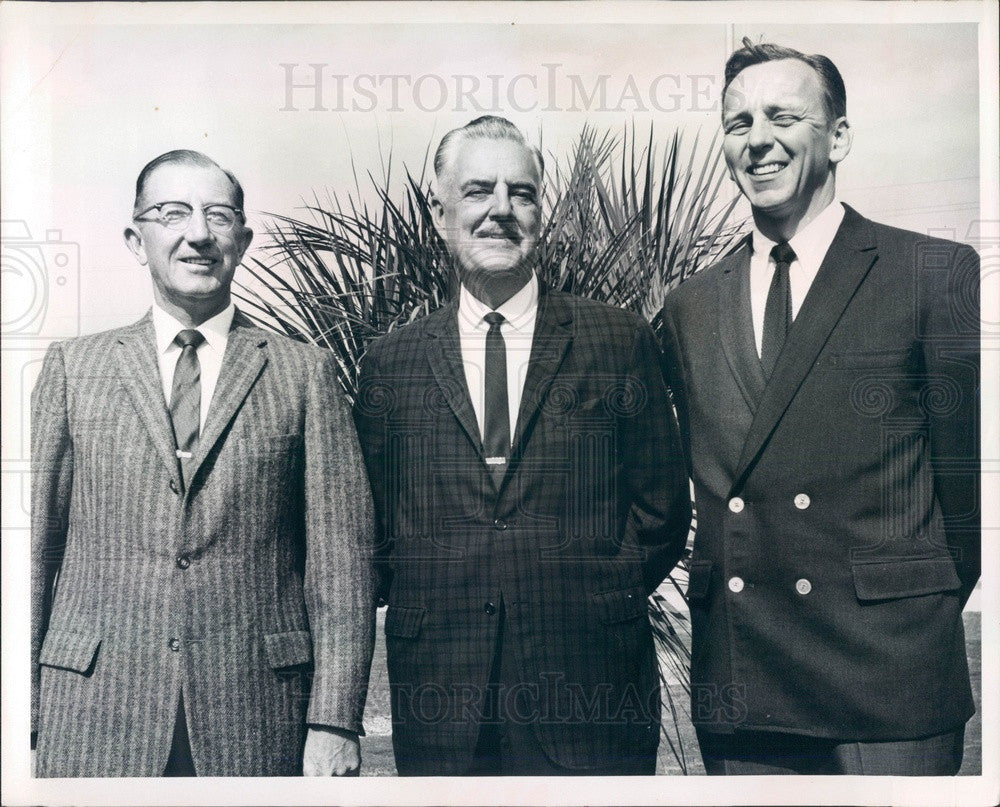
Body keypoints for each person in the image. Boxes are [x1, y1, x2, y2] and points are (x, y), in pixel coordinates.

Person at [660, 41, 980, 775]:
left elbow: (967, 496)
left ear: (838, 137)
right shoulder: (689, 305)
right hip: (744, 680)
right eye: (737, 122)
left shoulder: (932, 273)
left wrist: (902, 604)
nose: (758, 139)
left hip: (886, 677)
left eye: (782, 116)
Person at [353, 116, 691, 775]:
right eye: (479, 190)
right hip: (442, 702)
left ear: (542, 209)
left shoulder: (617, 341)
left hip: (591, 693)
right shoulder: (390, 364)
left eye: (523, 192)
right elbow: (375, 531)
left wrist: (590, 595)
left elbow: (662, 512)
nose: (501, 210)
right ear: (439, 208)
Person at [31, 150, 376, 777]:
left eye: (218, 215)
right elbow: (31, 554)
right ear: (137, 239)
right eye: (173, 213)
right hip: (91, 710)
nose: (197, 233)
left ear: (241, 241)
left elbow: (341, 563)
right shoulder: (73, 370)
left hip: (258, 715)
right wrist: (15, 705)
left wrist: (334, 720)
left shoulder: (305, 374)